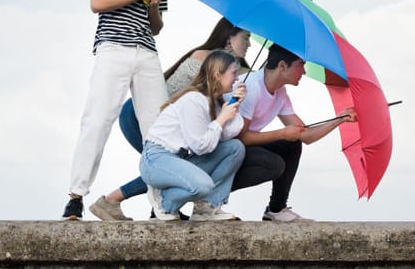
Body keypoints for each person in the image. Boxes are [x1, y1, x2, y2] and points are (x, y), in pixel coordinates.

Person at [62, 0, 177, 220]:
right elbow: (97, 2)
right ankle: (75, 196)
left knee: (159, 129)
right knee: (97, 120)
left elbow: (156, 27)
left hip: (147, 52)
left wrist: (153, 5)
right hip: (113, 47)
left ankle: (161, 204)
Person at [88, 18, 252, 220]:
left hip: (170, 124)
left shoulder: (220, 75)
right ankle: (122, 202)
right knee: (168, 164)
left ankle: (139, 205)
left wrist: (233, 104)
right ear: (229, 38)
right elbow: (195, 101)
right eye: (246, 37)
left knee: (176, 164)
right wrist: (219, 117)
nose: (249, 44)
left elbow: (212, 115)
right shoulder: (205, 60)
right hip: (141, 114)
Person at [231, 43, 356, 222]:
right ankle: (212, 196)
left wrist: (340, 118)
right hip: (225, 148)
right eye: (301, 64)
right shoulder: (252, 87)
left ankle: (276, 209)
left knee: (292, 143)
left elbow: (305, 135)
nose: (304, 72)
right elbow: (239, 138)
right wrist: (282, 133)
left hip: (242, 146)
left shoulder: (280, 94)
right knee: (273, 164)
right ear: (283, 66)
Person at [140, 50, 247, 221]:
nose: (236, 79)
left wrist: (234, 105)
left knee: (235, 148)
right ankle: (165, 202)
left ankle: (206, 207)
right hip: (156, 159)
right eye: (233, 73)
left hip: (179, 160)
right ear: (217, 75)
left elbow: (226, 135)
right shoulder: (194, 100)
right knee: (203, 185)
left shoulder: (213, 101)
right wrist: (221, 119)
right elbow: (201, 146)